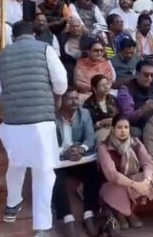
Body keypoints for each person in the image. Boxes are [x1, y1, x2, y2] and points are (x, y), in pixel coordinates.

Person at [0, 21, 68, 236]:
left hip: (13, 121)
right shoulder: (45, 49)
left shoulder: (2, 55)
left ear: (13, 37)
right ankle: (42, 227)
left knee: (16, 164)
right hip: (41, 121)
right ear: (33, 35)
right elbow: (61, 82)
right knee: (43, 172)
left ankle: (12, 203)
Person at [97, 115, 153, 229]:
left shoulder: (135, 142)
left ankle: (130, 212)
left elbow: (148, 162)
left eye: (126, 127)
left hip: (131, 181)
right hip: (112, 185)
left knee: (148, 182)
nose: (123, 131)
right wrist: (135, 184)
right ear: (113, 129)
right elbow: (112, 174)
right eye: (119, 127)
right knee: (121, 185)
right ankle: (121, 213)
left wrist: (146, 180)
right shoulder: (104, 147)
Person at [53, 90, 100, 237]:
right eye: (70, 99)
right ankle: (67, 218)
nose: (74, 102)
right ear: (60, 100)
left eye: (76, 98)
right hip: (59, 158)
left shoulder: (84, 113)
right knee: (54, 175)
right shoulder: (52, 116)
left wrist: (81, 148)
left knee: (92, 169)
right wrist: (64, 152)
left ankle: (89, 214)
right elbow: (48, 143)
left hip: (79, 157)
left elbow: (90, 138)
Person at [116, 60, 153, 137]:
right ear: (137, 74)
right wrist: (143, 110)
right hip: (136, 125)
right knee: (136, 132)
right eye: (146, 75)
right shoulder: (126, 90)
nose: (149, 78)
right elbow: (126, 118)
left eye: (152, 75)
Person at [83, 74, 119, 142]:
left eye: (107, 84)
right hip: (100, 130)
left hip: (115, 128)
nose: (106, 87)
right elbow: (86, 128)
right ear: (94, 89)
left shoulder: (112, 99)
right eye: (102, 85)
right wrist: (101, 123)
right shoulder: (88, 105)